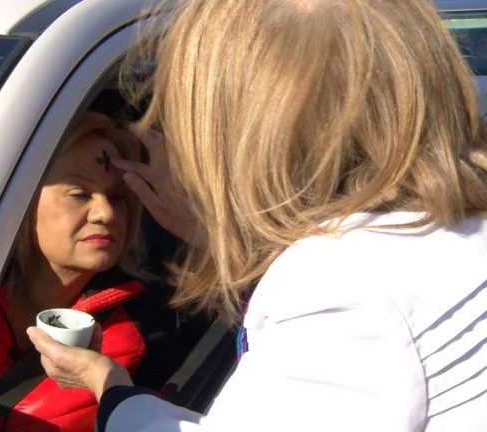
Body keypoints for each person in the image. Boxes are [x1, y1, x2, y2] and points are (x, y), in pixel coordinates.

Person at [27, 0, 487, 431]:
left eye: (186, 121)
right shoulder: (438, 236)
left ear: (246, 131)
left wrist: (110, 387)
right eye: (78, 192)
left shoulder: (344, 287)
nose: (180, 149)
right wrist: (222, 238)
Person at [0, 112, 178, 431]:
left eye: (118, 197)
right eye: (79, 194)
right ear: (23, 202)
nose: (105, 213)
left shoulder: (148, 329)